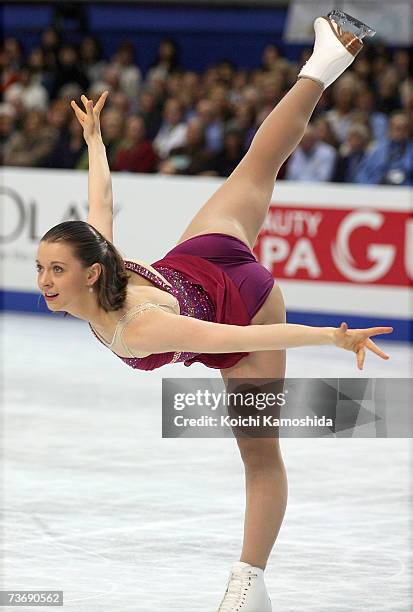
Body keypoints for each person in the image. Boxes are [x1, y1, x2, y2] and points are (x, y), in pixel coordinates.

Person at [36, 15, 393, 612]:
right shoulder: (101, 262)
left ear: (90, 275)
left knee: (258, 455)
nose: (46, 283)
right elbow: (101, 202)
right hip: (207, 248)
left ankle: (247, 582)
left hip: (246, 306)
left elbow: (229, 334)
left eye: (55, 272)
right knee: (260, 162)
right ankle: (327, 60)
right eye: (42, 270)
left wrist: (331, 335)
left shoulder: (137, 326)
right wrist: (95, 142)